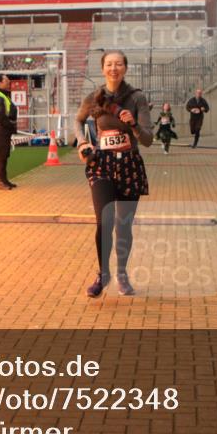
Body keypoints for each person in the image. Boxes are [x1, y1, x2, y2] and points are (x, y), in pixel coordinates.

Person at [74, 50, 153, 298]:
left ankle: (121, 273)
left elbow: (148, 139)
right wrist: (82, 143)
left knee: (123, 226)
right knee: (103, 221)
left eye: (118, 64)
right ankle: (102, 273)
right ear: (103, 68)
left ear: (125, 68)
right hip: (102, 165)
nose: (113, 68)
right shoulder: (95, 97)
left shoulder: (137, 98)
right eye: (109, 64)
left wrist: (133, 125)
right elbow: (77, 121)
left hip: (129, 165)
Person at [0, 73, 18, 190]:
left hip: (4, 129)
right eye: (6, 80)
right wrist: (10, 126)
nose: (9, 82)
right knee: (2, 155)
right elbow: (0, 116)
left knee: (5, 155)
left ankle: (4, 180)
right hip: (2, 129)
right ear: (0, 83)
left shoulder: (4, 96)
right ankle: (0, 182)